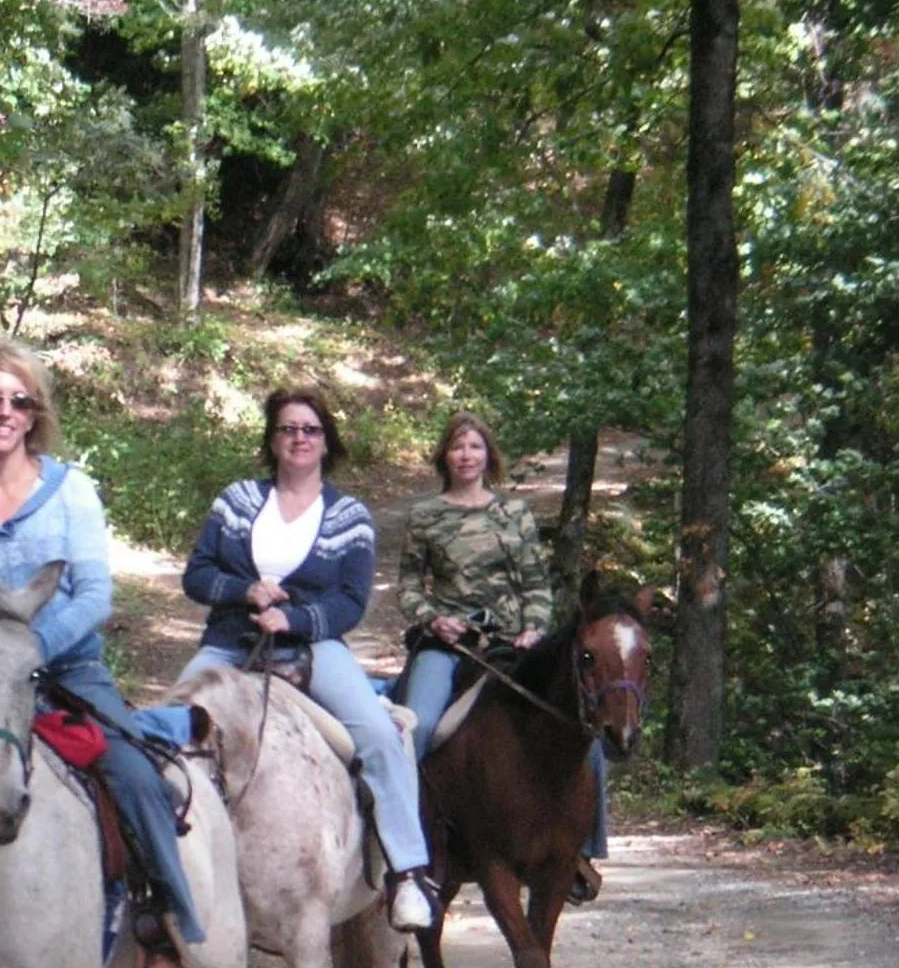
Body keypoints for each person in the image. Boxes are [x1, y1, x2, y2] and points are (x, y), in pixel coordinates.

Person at [0, 338, 200, 968]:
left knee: (134, 774)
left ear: (35, 414)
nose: (5, 411)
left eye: (20, 401)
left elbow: (95, 597)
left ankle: (160, 923)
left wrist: (32, 650)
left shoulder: (71, 492)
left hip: (69, 671)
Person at [176, 389, 437, 933]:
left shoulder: (349, 517)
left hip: (315, 648)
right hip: (231, 643)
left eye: (310, 430)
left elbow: (351, 601)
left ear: (326, 441)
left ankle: (407, 873)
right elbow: (197, 575)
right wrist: (246, 591)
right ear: (272, 440)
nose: (299, 439)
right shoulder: (237, 501)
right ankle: (158, 877)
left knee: (379, 735)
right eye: (288, 429)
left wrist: (293, 620)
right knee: (165, 731)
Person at [395, 409, 607, 901]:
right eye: (457, 446)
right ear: (444, 455)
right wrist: (433, 619)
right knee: (418, 730)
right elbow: (408, 586)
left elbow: (535, 582)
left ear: (488, 455)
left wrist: (535, 628)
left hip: (513, 644)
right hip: (449, 644)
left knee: (587, 730)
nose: (466, 455)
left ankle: (581, 849)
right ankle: (409, 850)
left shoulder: (514, 513)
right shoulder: (426, 515)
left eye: (474, 446)